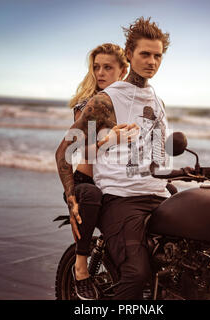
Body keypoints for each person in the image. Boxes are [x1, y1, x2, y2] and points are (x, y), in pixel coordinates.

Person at [56, 17, 171, 300]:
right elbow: (66, 153)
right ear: (129, 55)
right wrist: (71, 198)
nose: (152, 61)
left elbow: (156, 158)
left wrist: (179, 177)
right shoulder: (104, 102)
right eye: (145, 54)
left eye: (158, 55)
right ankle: (82, 268)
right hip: (119, 196)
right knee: (136, 274)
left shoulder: (158, 103)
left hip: (155, 193)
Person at [61, 43, 131, 300]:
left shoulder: (130, 103)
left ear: (123, 72)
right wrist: (107, 140)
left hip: (119, 181)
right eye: (96, 67)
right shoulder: (88, 105)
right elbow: (80, 150)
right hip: (87, 182)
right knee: (90, 195)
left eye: (107, 67)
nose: (100, 73)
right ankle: (81, 267)